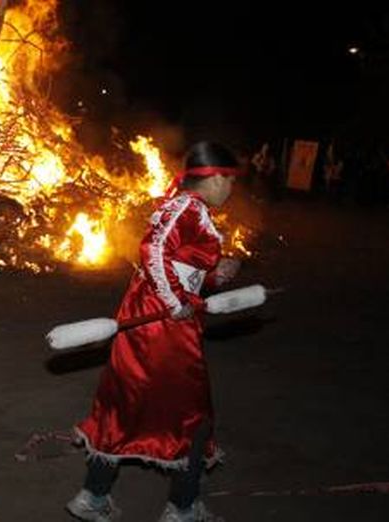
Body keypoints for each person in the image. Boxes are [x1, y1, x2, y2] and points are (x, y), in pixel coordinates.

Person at [66, 142, 243, 522]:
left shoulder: (193, 210)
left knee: (128, 402)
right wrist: (174, 300)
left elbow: (184, 266)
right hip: (162, 328)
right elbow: (153, 249)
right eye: (229, 181)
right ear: (213, 180)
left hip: (155, 320)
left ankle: (93, 497)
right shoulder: (186, 208)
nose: (231, 190)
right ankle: (182, 507)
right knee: (193, 412)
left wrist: (215, 274)